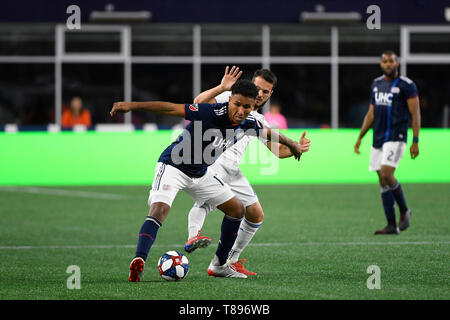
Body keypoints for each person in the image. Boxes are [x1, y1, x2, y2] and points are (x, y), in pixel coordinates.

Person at [110, 79, 308, 281]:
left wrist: (293, 144)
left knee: (237, 209)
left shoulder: (250, 123)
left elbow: (270, 133)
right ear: (230, 100)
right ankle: (139, 260)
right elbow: (171, 108)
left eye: (246, 107)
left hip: (201, 174)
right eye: (237, 104)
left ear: (252, 107)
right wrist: (131, 106)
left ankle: (220, 265)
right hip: (173, 166)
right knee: (160, 209)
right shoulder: (211, 112)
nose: (241, 110)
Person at [184, 66, 310, 276]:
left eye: (266, 91)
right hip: (214, 161)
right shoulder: (229, 97)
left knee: (255, 214)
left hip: (233, 169)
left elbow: (277, 151)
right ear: (251, 84)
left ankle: (226, 261)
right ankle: (193, 236)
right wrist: (220, 87)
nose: (261, 94)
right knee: (206, 203)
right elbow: (198, 103)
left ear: (271, 94)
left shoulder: (259, 120)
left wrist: (298, 147)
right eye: (258, 88)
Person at [354, 50, 421, 235]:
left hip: (396, 137)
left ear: (397, 63)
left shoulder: (407, 85)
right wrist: (360, 137)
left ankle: (404, 210)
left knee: (386, 174)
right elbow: (371, 113)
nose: (388, 64)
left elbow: (415, 114)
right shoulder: (376, 84)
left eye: (391, 61)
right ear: (381, 64)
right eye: (385, 61)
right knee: (382, 181)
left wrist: (415, 140)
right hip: (378, 138)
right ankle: (391, 224)